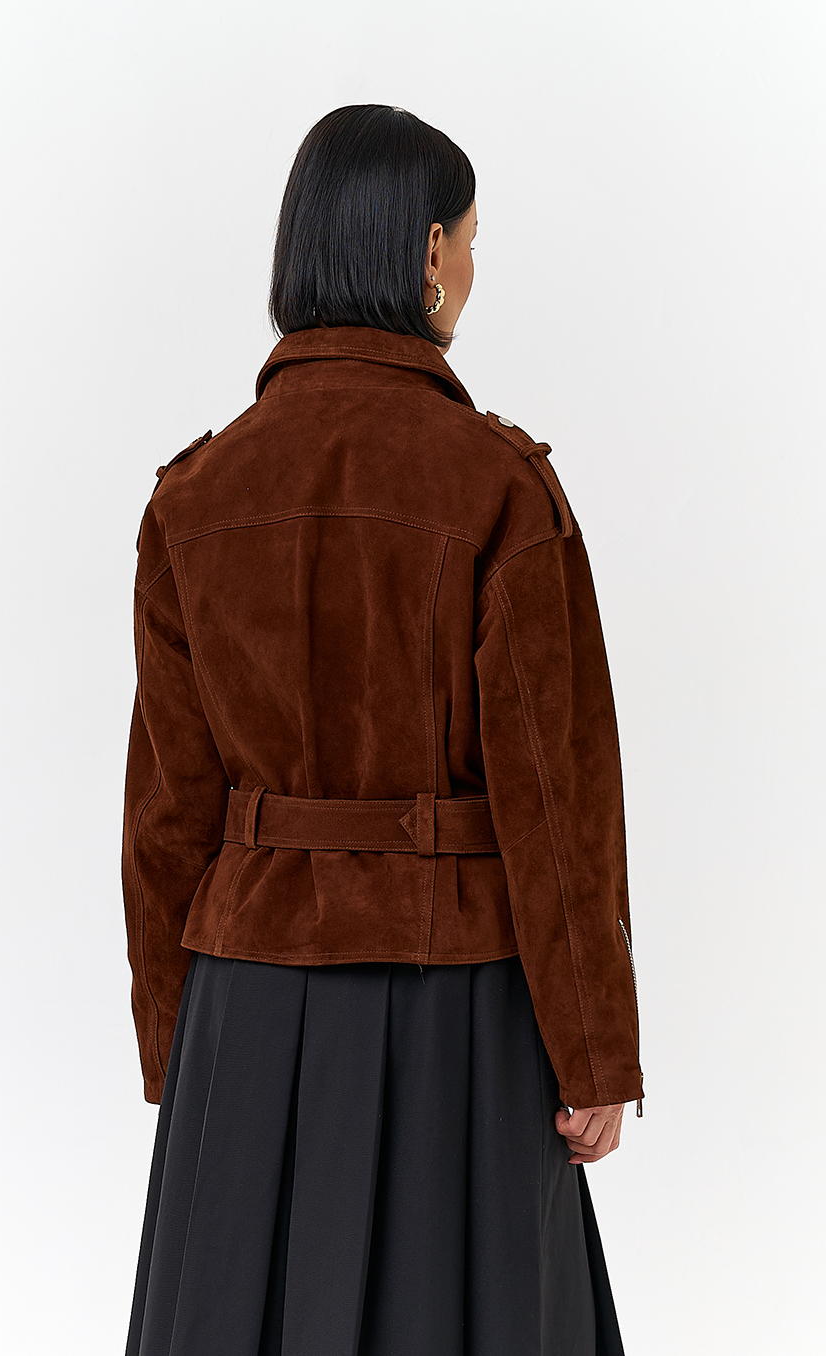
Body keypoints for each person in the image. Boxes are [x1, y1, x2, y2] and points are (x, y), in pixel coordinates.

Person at [120, 104, 644, 1356]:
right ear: (425, 253)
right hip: (454, 1007)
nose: (471, 267)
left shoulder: (192, 496)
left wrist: (175, 1045)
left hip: (244, 1006)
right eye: (471, 238)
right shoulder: (499, 486)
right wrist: (593, 1051)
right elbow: (556, 798)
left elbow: (166, 812)